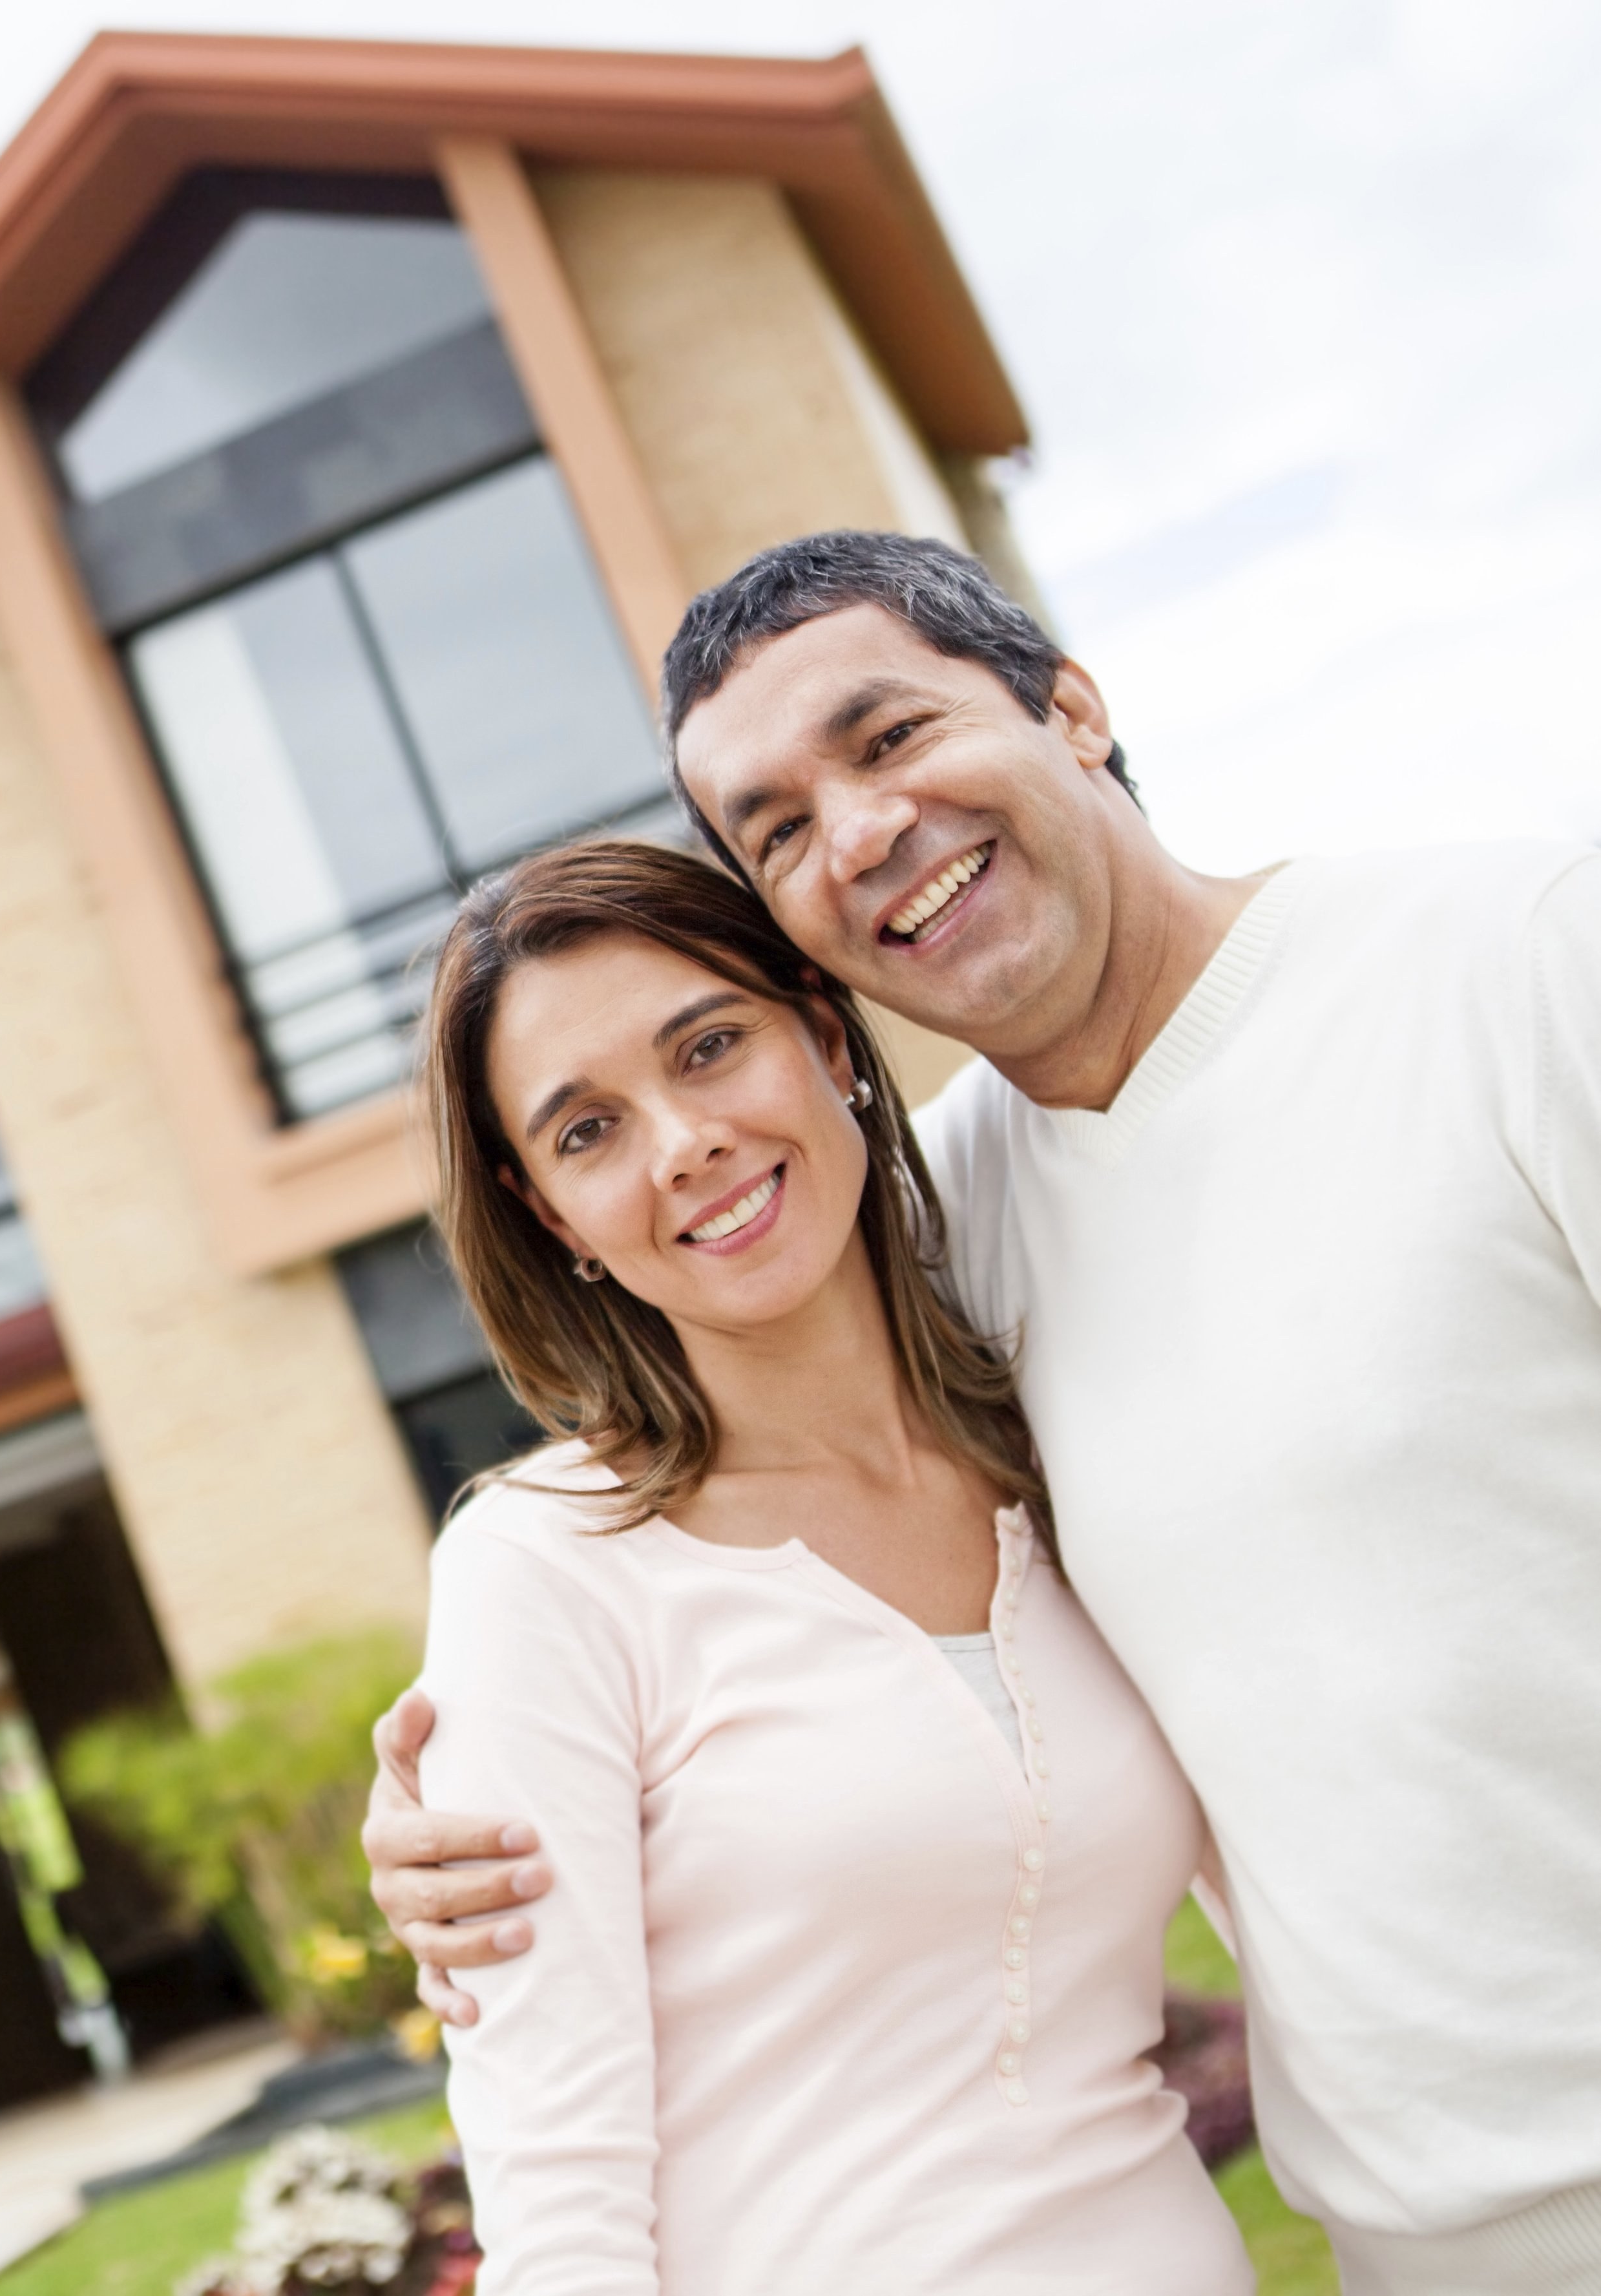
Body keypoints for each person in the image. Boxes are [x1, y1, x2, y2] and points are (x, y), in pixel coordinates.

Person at [366, 532, 1601, 2293]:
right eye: (776, 827)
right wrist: (469, 1808)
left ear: (1072, 708)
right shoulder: (944, 1235)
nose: (858, 832)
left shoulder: (1512, 961)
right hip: (1420, 2230)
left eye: (886, 737)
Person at [412, 836, 1249, 2291]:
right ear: (550, 1214)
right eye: (588, 1131)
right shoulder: (543, 1572)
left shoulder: (1063, 1450)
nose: (682, 1142)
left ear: (823, 1031)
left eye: (710, 1045)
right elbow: (556, 2183)